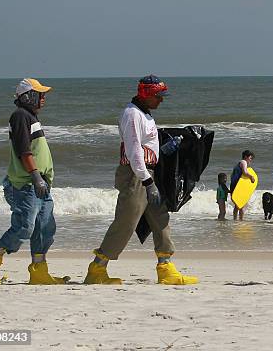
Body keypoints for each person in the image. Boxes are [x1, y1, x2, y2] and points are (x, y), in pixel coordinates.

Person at [83, 74, 198, 285]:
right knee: (126, 223)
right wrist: (147, 181)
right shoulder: (132, 114)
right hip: (136, 176)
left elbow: (146, 147)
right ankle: (97, 269)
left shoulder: (145, 114)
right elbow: (134, 150)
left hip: (147, 173)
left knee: (160, 218)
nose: (161, 100)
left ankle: (165, 268)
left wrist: (162, 151)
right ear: (145, 94)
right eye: (158, 96)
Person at [0, 78, 67, 285]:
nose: (43, 98)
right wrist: (35, 176)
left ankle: (39, 271)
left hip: (40, 184)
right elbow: (23, 150)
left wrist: (41, 179)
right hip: (27, 183)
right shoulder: (20, 116)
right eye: (40, 94)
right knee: (25, 226)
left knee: (45, 228)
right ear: (28, 96)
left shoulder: (30, 117)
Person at [230, 150, 255, 221]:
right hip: (238, 186)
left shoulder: (238, 163)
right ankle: (241, 220)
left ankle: (235, 219)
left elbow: (232, 175)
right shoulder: (244, 162)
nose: (251, 160)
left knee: (237, 205)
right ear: (245, 157)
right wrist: (251, 177)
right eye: (250, 158)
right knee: (241, 204)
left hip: (234, 185)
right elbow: (245, 172)